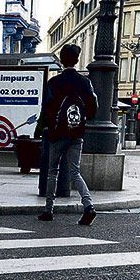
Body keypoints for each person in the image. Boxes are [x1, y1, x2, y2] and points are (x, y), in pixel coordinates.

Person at [33, 43, 99, 225]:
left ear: (61, 61)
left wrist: (40, 130)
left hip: (56, 134)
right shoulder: (85, 82)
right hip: (77, 133)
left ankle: (48, 209)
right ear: (77, 60)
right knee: (75, 172)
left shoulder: (54, 82)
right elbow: (93, 108)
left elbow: (45, 109)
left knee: (52, 171)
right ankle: (88, 206)